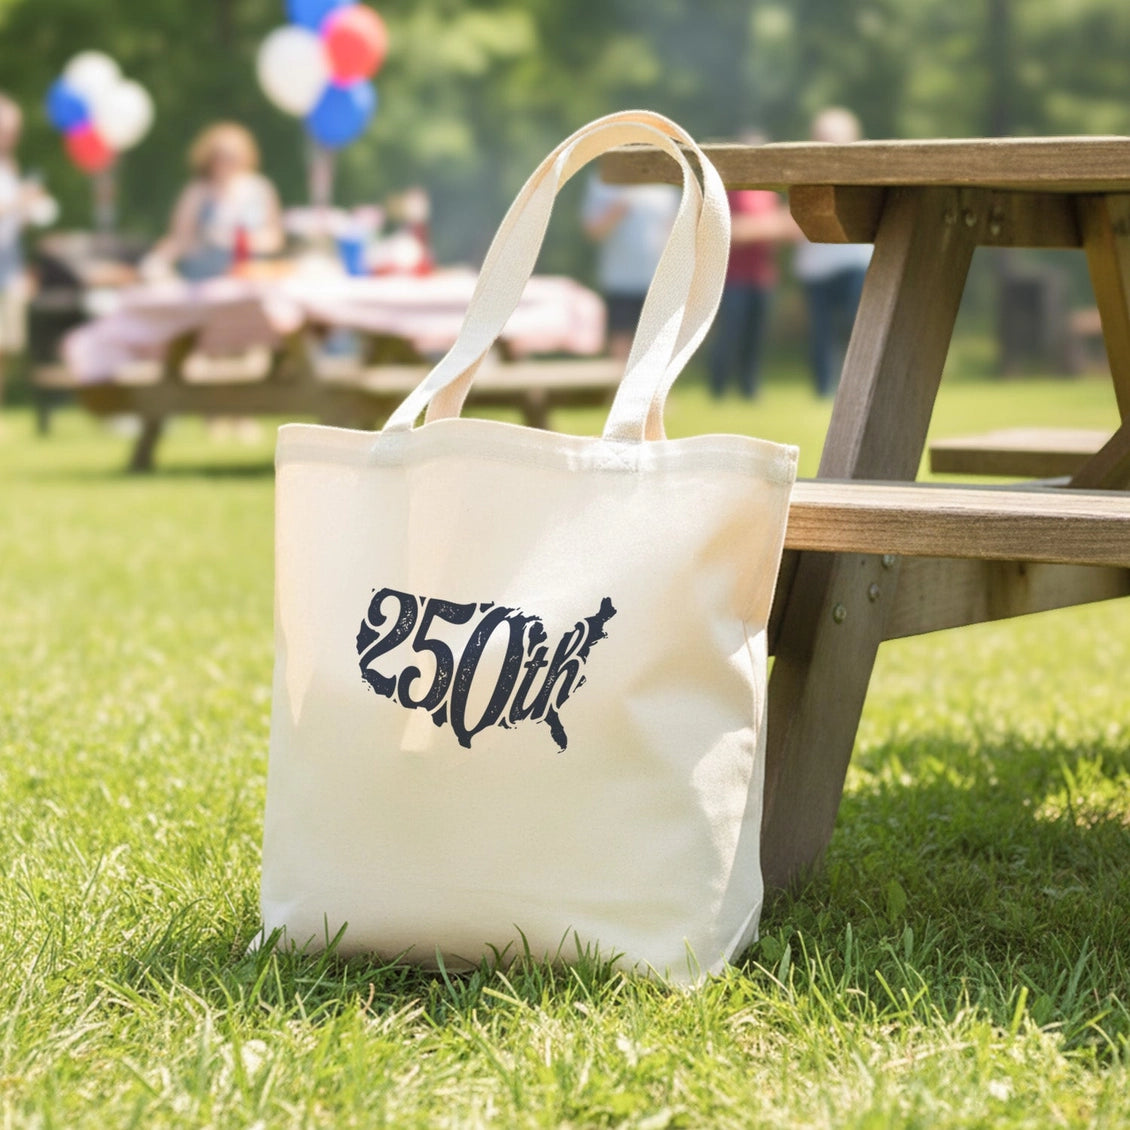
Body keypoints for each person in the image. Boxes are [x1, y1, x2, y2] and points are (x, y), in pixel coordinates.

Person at [709, 132, 798, 399]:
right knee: (730, 335)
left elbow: (790, 227)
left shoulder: (767, 192)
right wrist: (767, 226)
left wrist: (760, 227)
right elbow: (726, 231)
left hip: (762, 275)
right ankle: (718, 389)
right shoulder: (729, 190)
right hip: (732, 277)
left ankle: (749, 388)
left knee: (755, 337)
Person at [794, 107, 874, 397]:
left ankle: (862, 385)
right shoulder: (800, 170)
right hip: (817, 269)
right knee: (821, 335)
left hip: (855, 263)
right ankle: (824, 389)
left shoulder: (866, 168)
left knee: (860, 329)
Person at [146, 122, 283, 281]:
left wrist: (234, 241)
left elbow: (275, 238)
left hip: (250, 276)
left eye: (233, 156)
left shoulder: (260, 188)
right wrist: (158, 260)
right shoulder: (197, 190)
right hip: (204, 280)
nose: (227, 162)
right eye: (221, 157)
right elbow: (180, 238)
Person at [582, 174, 679, 360]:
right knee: (621, 345)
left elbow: (673, 232)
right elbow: (593, 231)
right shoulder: (603, 182)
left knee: (657, 348)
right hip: (620, 281)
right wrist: (617, 210)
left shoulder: (665, 182)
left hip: (658, 282)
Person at [0, 93, 55, 406]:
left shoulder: (10, 165)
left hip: (9, 267)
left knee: (8, 345)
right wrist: (19, 200)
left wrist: (29, 211)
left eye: (12, 130)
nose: (10, 136)